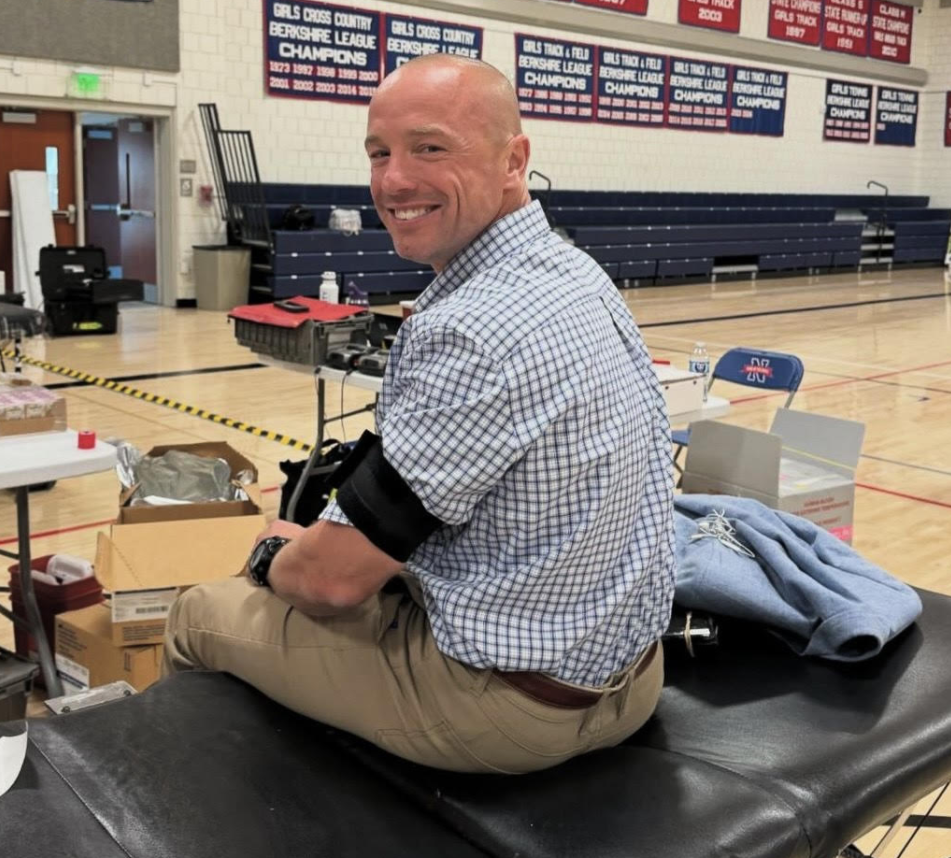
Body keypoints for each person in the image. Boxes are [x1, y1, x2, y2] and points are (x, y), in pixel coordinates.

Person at [163, 55, 676, 774]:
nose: (394, 180)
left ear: (513, 159)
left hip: (516, 713)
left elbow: (333, 580)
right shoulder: (574, 273)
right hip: (632, 676)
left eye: (430, 148)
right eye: (379, 154)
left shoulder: (470, 328)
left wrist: (273, 554)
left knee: (197, 613)